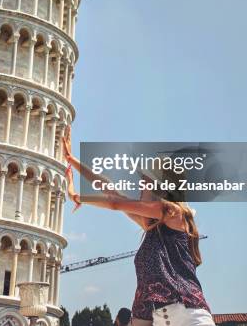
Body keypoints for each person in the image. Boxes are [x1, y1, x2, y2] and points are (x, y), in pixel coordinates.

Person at [62, 127, 215, 326]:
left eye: (145, 181)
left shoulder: (173, 212)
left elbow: (115, 203)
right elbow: (111, 192)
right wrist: (72, 162)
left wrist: (79, 196)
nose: (141, 186)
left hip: (190, 318)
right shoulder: (152, 226)